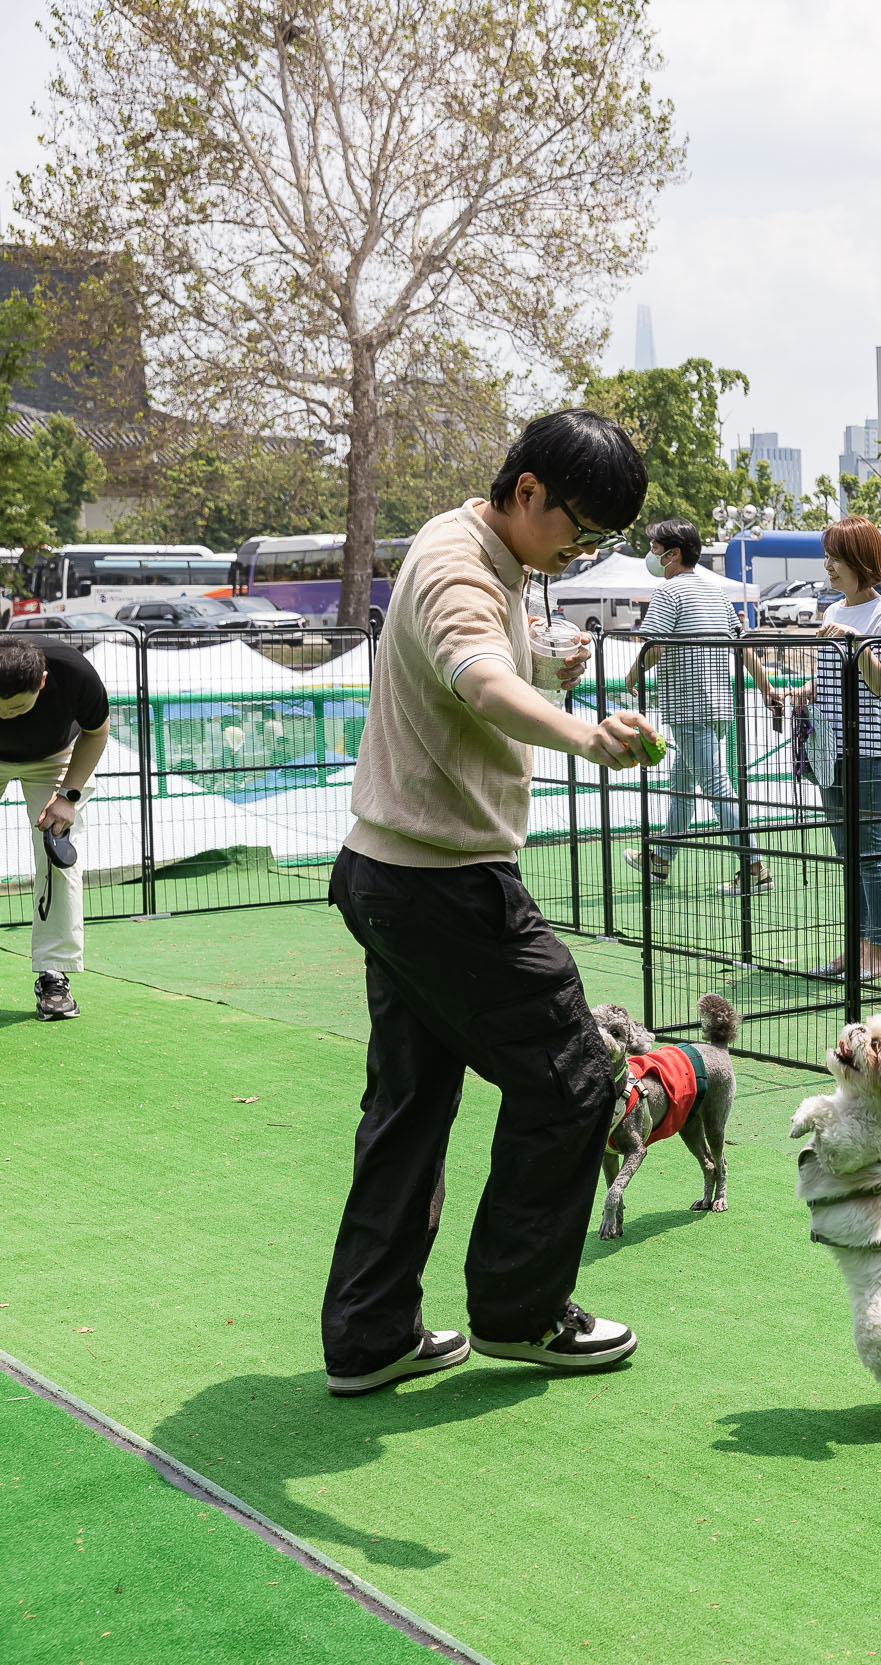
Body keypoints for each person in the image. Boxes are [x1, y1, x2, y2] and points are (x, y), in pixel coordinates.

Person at [323, 408, 662, 1397]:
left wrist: (546, 668)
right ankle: (519, 1311)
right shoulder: (458, 566)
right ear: (526, 494)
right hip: (443, 885)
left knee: (411, 1106)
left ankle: (371, 1334)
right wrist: (579, 730)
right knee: (574, 1077)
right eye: (580, 530)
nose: (580, 550)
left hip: (390, 874)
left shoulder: (489, 556)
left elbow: (477, 670)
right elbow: (475, 679)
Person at [624, 518, 785, 897]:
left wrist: (633, 674)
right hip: (718, 708)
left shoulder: (668, 593)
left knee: (716, 786)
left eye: (654, 549)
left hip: (687, 707)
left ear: (673, 554)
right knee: (682, 784)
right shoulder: (716, 594)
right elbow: (743, 646)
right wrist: (767, 687)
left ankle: (755, 867)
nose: (651, 555)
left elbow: (655, 645)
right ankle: (660, 859)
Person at [789, 518, 881, 982]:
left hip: (871, 753)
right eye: (827, 556)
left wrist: (854, 642)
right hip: (829, 750)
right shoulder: (833, 610)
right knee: (846, 854)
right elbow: (835, 683)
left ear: (860, 560)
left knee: (870, 851)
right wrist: (804, 692)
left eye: (835, 557)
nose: (828, 565)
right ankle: (856, 949)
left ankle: (880, 950)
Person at [0, 638, 109, 1020]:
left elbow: (96, 732)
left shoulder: (75, 672)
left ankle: (53, 975)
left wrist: (69, 796)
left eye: (16, 707)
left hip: (55, 757)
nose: (7, 717)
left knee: (58, 860)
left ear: (42, 682)